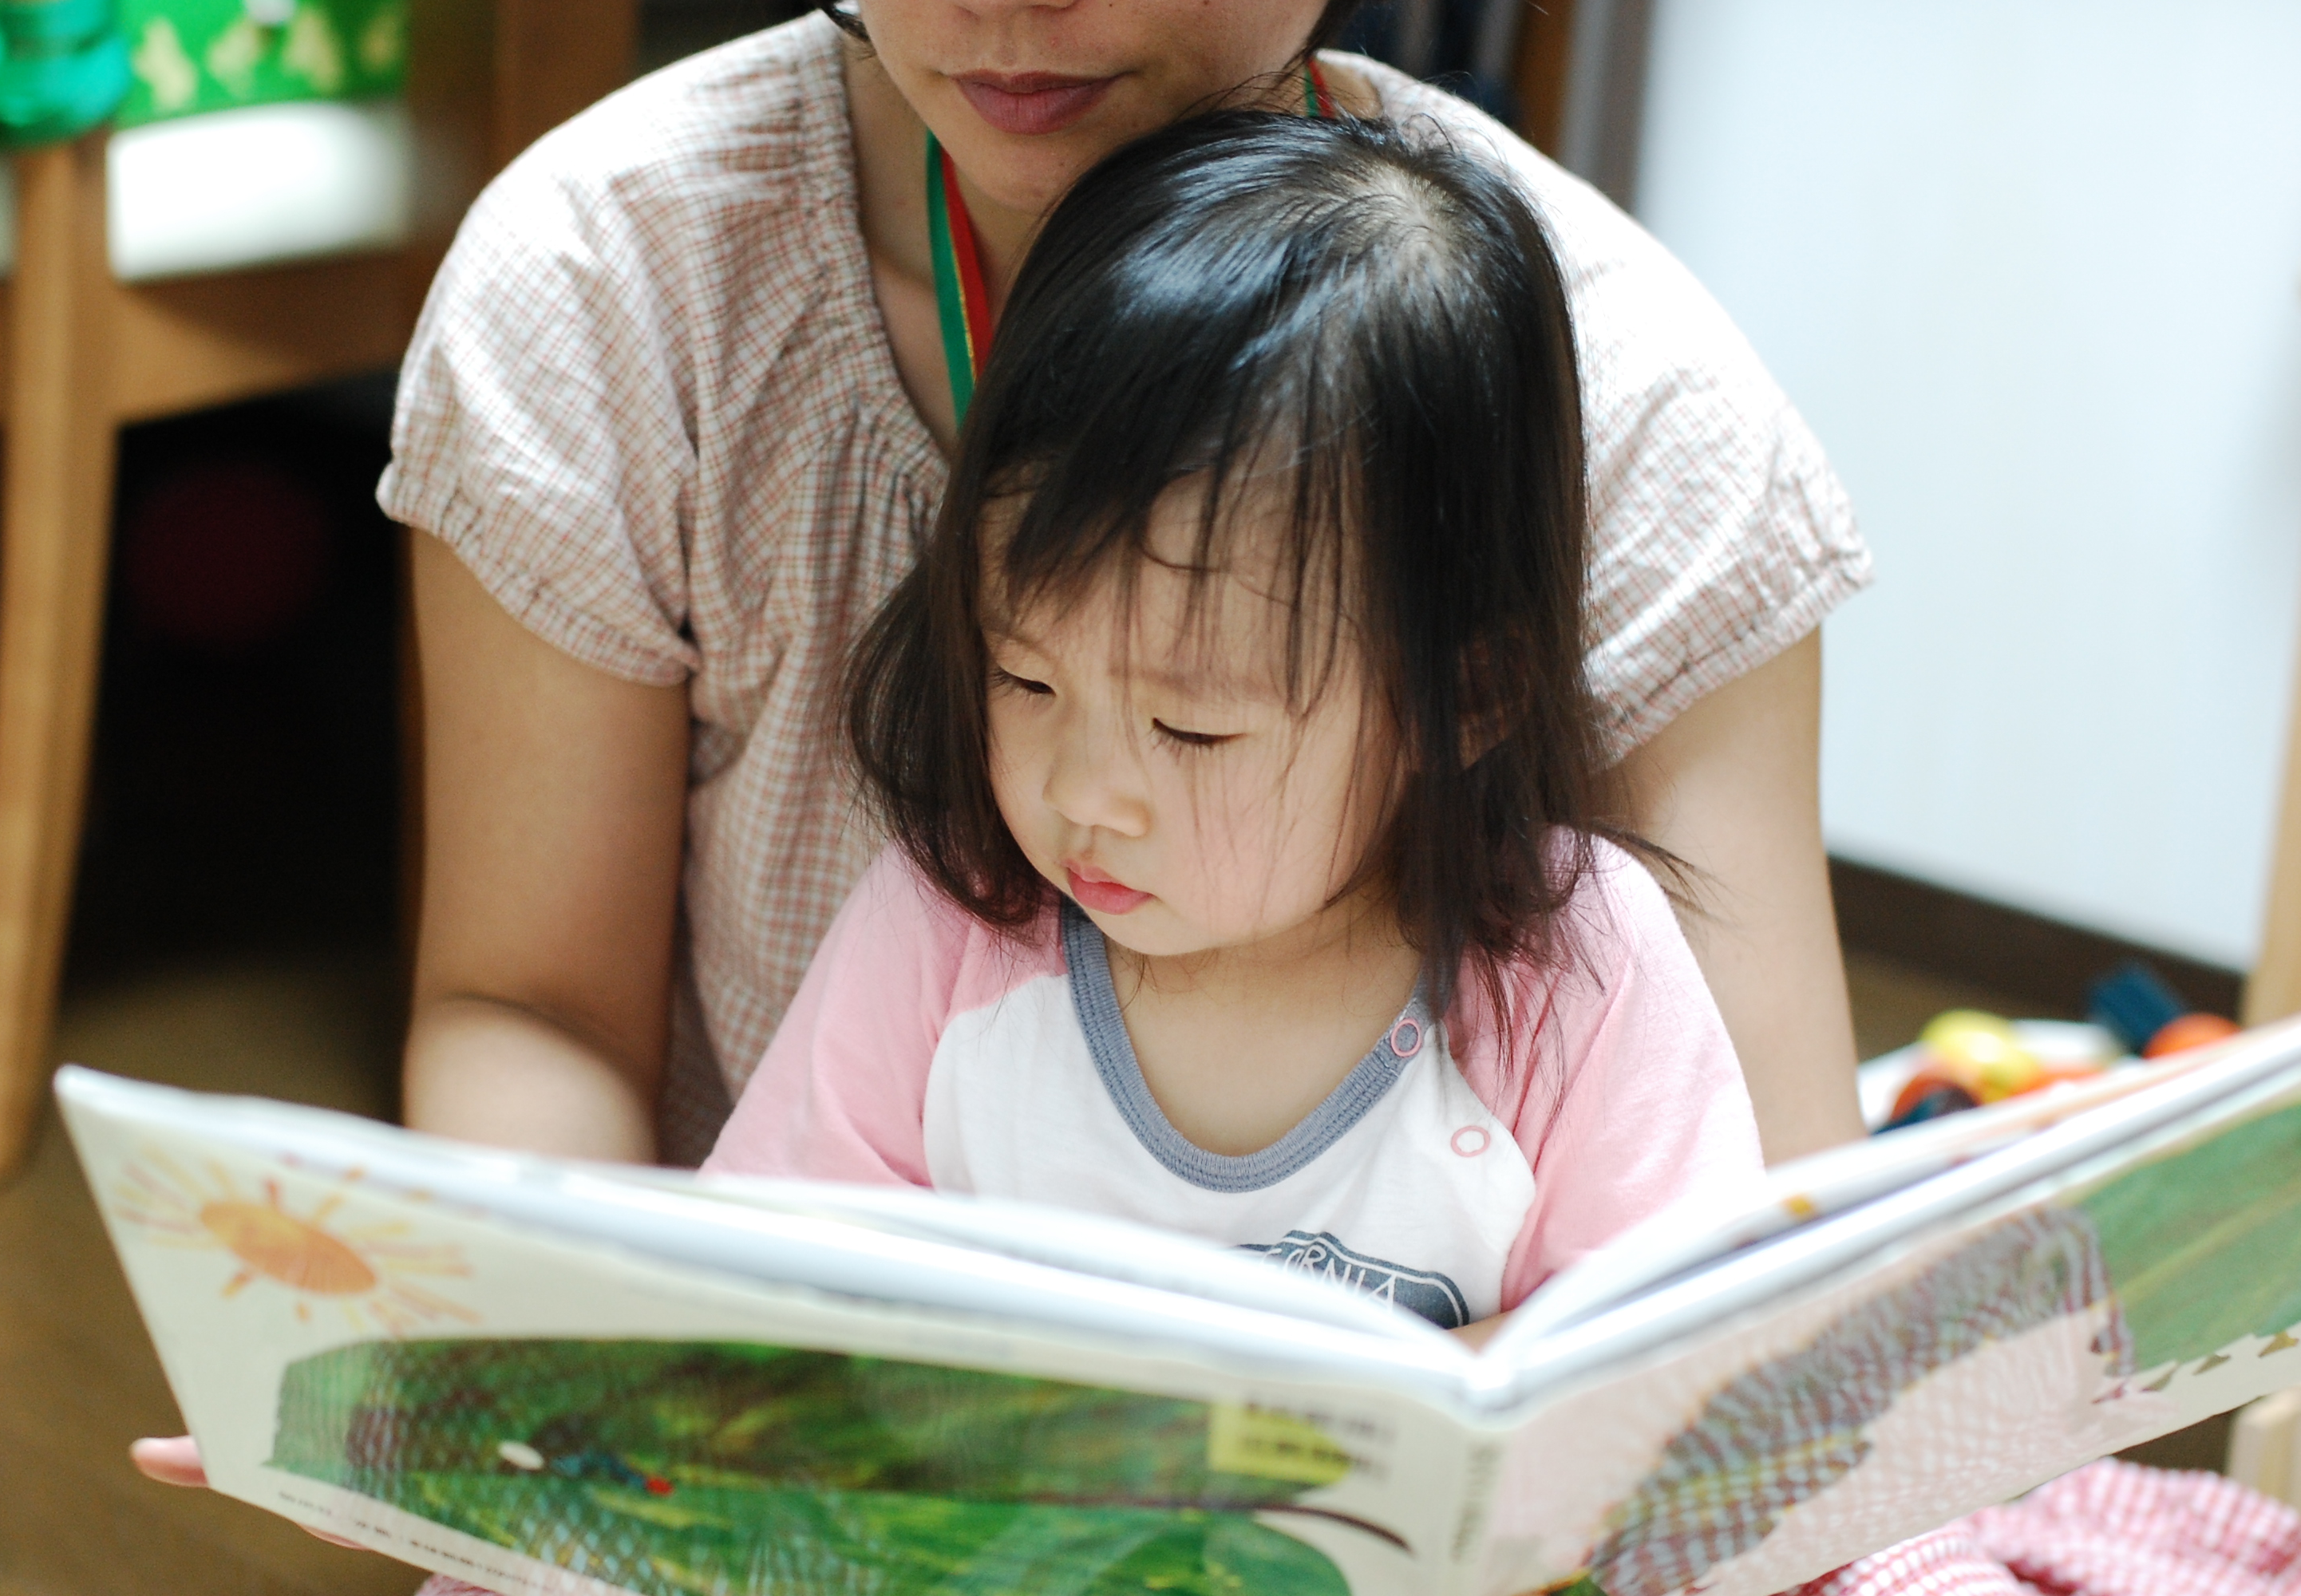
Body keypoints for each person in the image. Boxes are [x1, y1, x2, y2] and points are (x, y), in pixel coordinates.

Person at [134, 0, 1869, 1497]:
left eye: (1194, 716)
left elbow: (1747, 1324)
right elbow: (547, 1025)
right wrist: (527, 1405)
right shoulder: (615, 282)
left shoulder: (1641, 417)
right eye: (1021, 683)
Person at [702, 109, 1763, 1350]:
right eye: (1025, 681)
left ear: (1464, 698)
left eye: (1193, 730)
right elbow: (757, 1296)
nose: (1086, 793)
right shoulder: (949, 927)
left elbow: (1675, 1365)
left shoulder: (1574, 969)